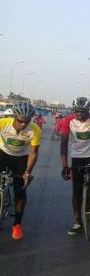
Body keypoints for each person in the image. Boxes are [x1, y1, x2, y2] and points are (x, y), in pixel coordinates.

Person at [60, 97, 90, 235]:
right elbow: (63, 144)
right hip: (76, 158)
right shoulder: (68, 121)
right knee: (76, 191)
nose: (80, 114)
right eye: (77, 111)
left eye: (83, 111)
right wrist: (65, 166)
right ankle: (77, 221)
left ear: (89, 110)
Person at [0, 102, 41, 240]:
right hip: (3, 153)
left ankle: (17, 224)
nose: (24, 124)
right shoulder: (3, 123)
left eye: (27, 121)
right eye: (20, 121)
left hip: (20, 158)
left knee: (20, 192)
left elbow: (33, 153)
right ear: (14, 117)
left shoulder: (35, 130)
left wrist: (27, 172)